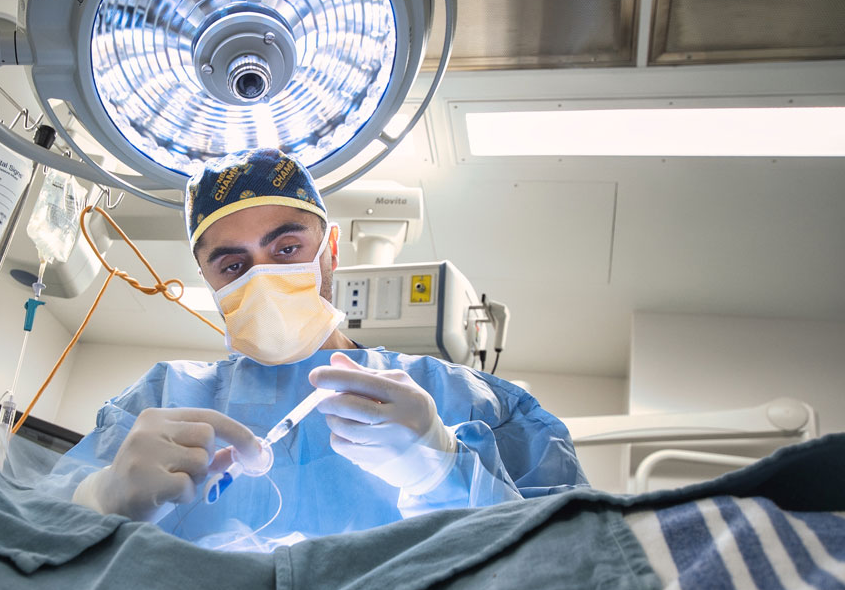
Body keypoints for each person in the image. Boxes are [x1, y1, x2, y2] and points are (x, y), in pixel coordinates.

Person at [51, 148, 586, 550]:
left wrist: (443, 469)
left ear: (329, 250)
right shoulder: (162, 397)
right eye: (233, 266)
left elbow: (578, 561)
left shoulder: (467, 401)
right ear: (207, 280)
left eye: (287, 248)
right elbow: (28, 544)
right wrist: (99, 499)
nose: (263, 276)